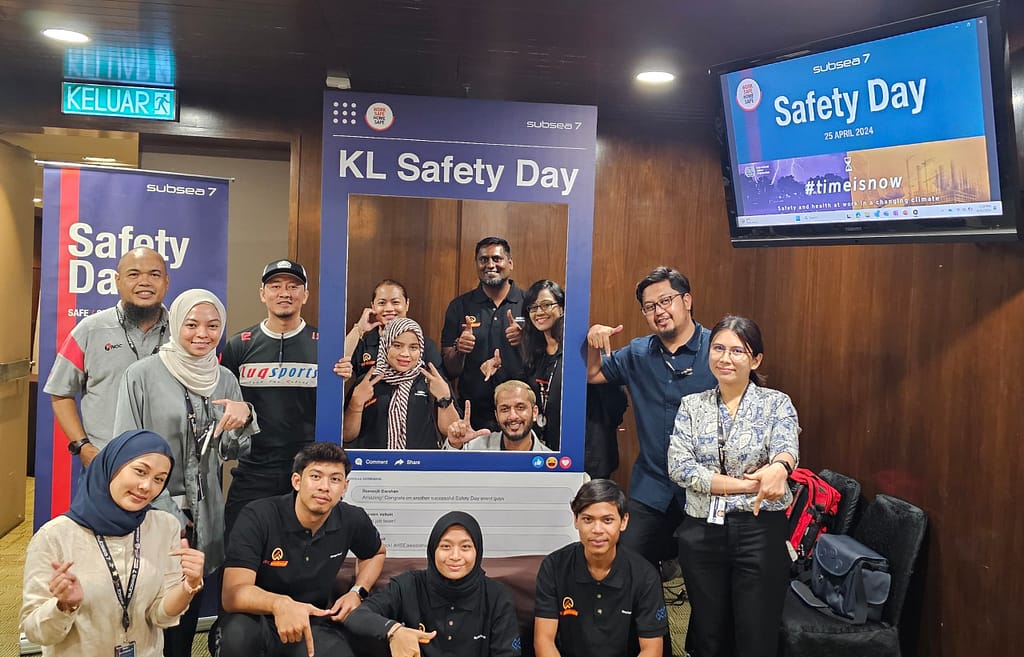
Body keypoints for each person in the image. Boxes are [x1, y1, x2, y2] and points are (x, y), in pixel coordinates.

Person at [113, 288, 258, 657]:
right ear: (176, 323)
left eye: (213, 326)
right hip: (149, 514)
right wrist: (170, 515)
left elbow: (231, 452)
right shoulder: (141, 375)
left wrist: (243, 421)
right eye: (191, 324)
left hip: (204, 517)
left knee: (187, 608)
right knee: (143, 609)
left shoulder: (224, 378)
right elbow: (125, 452)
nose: (202, 334)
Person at [667, 316, 799, 657]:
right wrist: (745, 485)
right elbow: (680, 468)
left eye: (737, 351)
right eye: (719, 348)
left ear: (755, 360)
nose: (725, 358)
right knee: (709, 632)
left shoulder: (776, 403)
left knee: (756, 632)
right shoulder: (691, 406)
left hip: (759, 531)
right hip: (702, 531)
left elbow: (786, 450)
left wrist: (780, 468)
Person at [20, 429, 205, 657]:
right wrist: (64, 606)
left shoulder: (164, 526)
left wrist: (189, 586)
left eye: (159, 479)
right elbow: (35, 632)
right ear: (112, 466)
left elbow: (161, 616)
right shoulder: (56, 536)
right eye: (140, 471)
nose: (147, 486)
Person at [586, 266, 716, 573]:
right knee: (627, 564)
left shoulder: (717, 349)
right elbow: (592, 373)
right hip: (653, 483)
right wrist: (593, 341)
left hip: (705, 487)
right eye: (649, 306)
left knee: (704, 577)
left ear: (687, 300)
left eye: (666, 300)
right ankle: (651, 621)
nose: (659, 311)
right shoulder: (638, 353)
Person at [219, 442, 386, 657]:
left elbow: (376, 553)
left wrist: (358, 591)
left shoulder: (352, 519)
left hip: (312, 621)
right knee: (237, 637)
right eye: (315, 476)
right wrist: (281, 605)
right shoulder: (258, 516)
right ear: (297, 481)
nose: (325, 487)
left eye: (335, 479)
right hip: (254, 619)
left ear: (344, 487)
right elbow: (233, 594)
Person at [220, 259, 322, 541]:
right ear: (262, 294)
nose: (284, 293)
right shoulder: (239, 344)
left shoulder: (323, 343)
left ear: (305, 295)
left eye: (293, 286)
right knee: (240, 548)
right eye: (275, 286)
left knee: (299, 553)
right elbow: (224, 403)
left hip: (306, 471)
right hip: (253, 470)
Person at [44, 247, 171, 466]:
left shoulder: (182, 333)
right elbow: (60, 392)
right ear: (118, 281)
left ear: (166, 282)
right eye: (134, 274)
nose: (145, 281)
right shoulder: (89, 330)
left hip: (166, 466)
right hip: (106, 464)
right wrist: (82, 446)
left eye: (154, 274)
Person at [346, 511, 521, 657]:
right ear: (432, 550)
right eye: (445, 546)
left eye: (465, 547)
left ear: (478, 552)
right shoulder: (408, 585)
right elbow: (357, 617)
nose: (455, 556)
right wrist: (394, 630)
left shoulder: (496, 596)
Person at [534, 479, 667, 657]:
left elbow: (651, 649)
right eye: (588, 519)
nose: (597, 530)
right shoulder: (553, 566)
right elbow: (544, 640)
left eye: (607, 520)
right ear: (575, 520)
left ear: (624, 521)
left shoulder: (645, 575)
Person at [441, 236, 526, 431]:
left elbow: (549, 357)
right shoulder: (459, 306)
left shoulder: (529, 303)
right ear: (477, 264)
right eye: (483, 259)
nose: (490, 265)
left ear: (510, 263)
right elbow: (450, 369)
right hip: (472, 416)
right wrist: (459, 349)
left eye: (497, 259)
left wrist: (525, 341)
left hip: (520, 414)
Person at [344, 317, 457, 449]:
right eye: (397, 345)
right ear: (385, 345)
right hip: (373, 466)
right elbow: (347, 436)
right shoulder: (366, 382)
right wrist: (355, 404)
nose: (405, 354)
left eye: (413, 347)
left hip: (422, 467)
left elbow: (451, 432)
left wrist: (445, 399)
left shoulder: (432, 381)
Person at [480, 279, 563, 449]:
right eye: (533, 307)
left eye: (546, 305)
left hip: (581, 450)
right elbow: (522, 391)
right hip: (544, 448)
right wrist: (497, 370)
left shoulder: (576, 352)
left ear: (561, 308)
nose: (539, 312)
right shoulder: (535, 354)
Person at [341, 278, 444, 376]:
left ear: (407, 304)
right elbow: (339, 364)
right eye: (382, 303)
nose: (389, 308)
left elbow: (440, 386)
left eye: (395, 302)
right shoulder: (363, 343)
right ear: (373, 306)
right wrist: (359, 329)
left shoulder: (424, 344)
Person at [443, 380, 553, 452]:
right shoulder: (477, 448)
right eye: (505, 409)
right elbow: (448, 477)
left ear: (534, 412)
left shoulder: (551, 460)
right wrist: (455, 445)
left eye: (520, 407)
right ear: (496, 415)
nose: (513, 416)